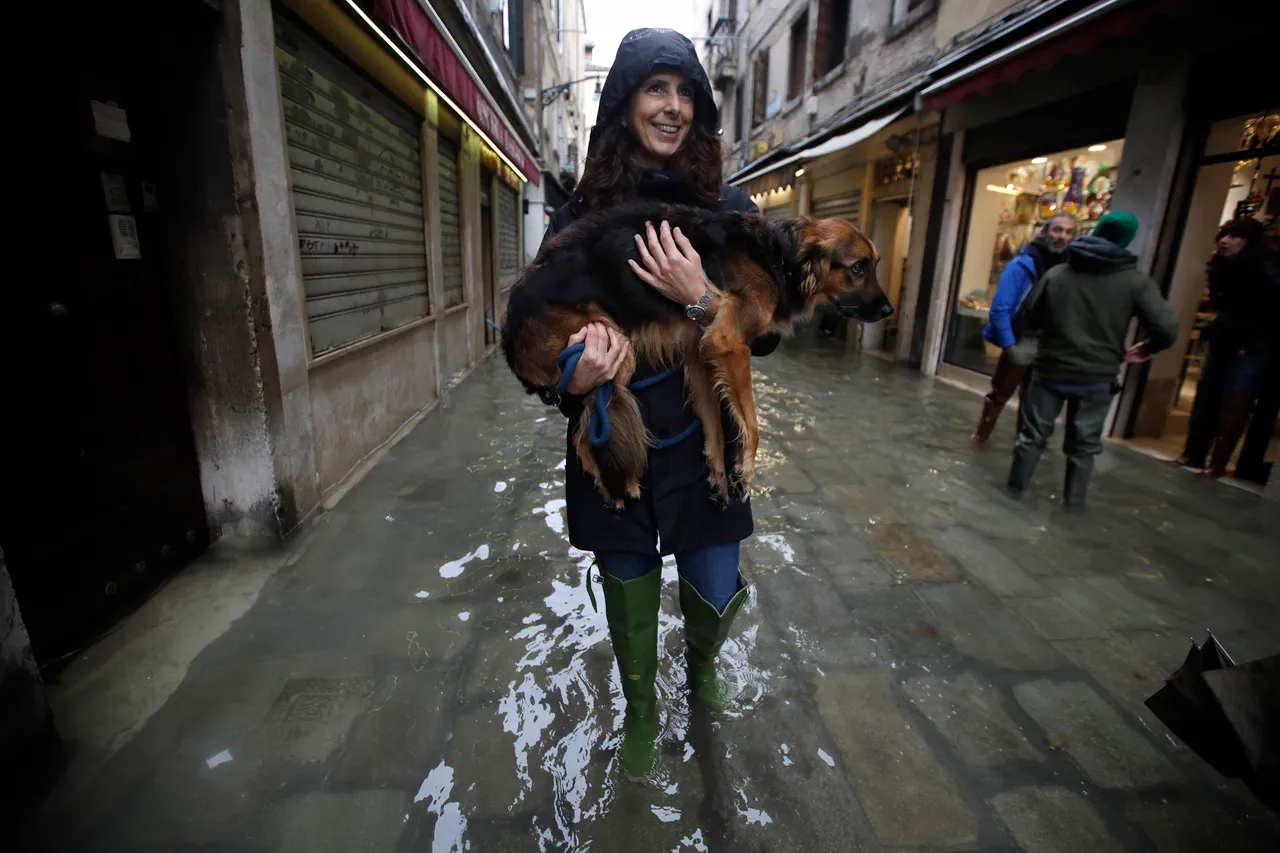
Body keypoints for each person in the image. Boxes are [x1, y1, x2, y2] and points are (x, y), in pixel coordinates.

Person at [538, 28, 778, 779]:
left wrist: (703, 299)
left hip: (707, 442)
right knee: (628, 588)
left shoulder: (727, 206)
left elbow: (764, 337)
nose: (672, 108)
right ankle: (642, 709)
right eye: (656, 89)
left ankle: (702, 674)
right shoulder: (580, 211)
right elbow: (536, 333)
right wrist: (569, 380)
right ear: (624, 102)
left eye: (685, 93)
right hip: (617, 447)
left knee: (714, 583)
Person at [1007, 211, 1180, 507]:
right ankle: (1073, 507)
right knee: (1084, 448)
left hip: (1050, 371)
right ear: (1127, 241)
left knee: (1031, 437)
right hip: (1097, 377)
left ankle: (1011, 498)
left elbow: (1029, 317)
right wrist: (1150, 348)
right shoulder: (1135, 282)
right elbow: (1167, 327)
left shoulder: (1058, 274)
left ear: (1096, 231)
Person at [1168, 217, 1280, 480]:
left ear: (1249, 241)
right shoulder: (1221, 266)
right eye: (1224, 234)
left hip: (1254, 343)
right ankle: (1194, 453)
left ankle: (1218, 463)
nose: (1225, 241)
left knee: (1235, 401)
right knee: (1206, 393)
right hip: (1226, 338)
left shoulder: (1267, 268)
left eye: (1234, 236)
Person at [971, 213, 1077, 448]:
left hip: (1049, 343)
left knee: (1034, 400)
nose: (1062, 236)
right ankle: (982, 437)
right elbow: (1000, 308)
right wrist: (1009, 345)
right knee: (1000, 394)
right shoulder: (1022, 264)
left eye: (1068, 232)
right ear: (1047, 232)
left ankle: (1024, 445)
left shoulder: (1071, 267)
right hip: (1022, 340)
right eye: (1057, 230)